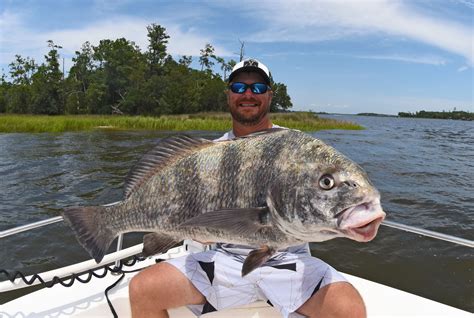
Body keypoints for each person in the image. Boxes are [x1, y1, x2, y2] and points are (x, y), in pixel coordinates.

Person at [129, 59, 366, 318]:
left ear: (269, 95)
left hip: (288, 259)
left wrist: (352, 220)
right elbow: (202, 218)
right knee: (142, 289)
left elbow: (322, 199)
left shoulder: (297, 148)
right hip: (225, 259)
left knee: (348, 310)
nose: (248, 94)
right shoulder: (209, 153)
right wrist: (188, 227)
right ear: (229, 94)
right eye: (240, 87)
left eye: (258, 87)